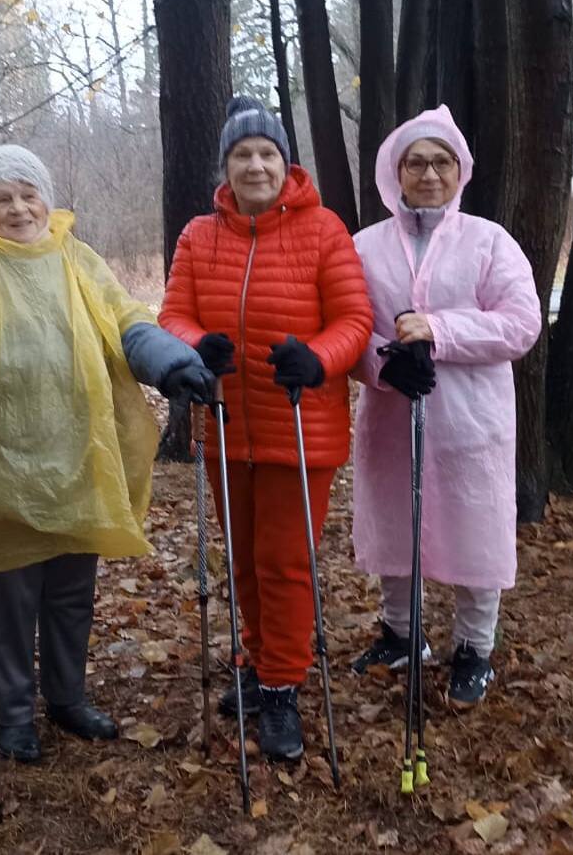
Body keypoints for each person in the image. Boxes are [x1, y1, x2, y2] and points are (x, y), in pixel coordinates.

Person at [0, 145, 213, 763]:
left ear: (46, 198)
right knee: (13, 599)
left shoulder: (77, 257)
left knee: (73, 595)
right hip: (5, 461)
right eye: (4, 198)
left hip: (79, 456)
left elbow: (125, 319)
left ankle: (67, 697)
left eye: (29, 194)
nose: (20, 208)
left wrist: (170, 361)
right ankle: (14, 714)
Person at [159, 97, 372, 760]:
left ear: (286, 164)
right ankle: (256, 663)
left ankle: (281, 689)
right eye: (242, 154)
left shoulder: (322, 230)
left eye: (267, 153)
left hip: (298, 429)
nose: (255, 165)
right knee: (246, 563)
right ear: (225, 166)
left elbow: (353, 320)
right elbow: (173, 315)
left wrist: (317, 360)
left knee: (283, 565)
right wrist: (199, 348)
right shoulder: (199, 235)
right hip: (224, 428)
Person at [350, 105, 541, 707]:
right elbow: (350, 327)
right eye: (416, 162)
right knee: (393, 523)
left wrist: (438, 330)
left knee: (476, 530)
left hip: (470, 421)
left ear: (460, 170)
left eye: (441, 162)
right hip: (391, 413)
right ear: (395, 172)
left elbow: (519, 324)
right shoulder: (365, 247)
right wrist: (383, 366)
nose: (429, 174)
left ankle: (473, 647)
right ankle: (401, 634)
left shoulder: (489, 242)